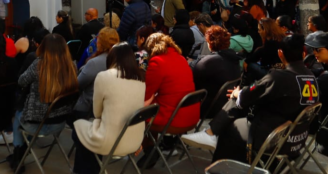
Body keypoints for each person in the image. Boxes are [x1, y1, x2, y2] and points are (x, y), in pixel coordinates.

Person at [181, 35, 320, 163]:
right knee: (243, 101)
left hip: (273, 137)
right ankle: (211, 133)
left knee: (232, 124)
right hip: (298, 137)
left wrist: (237, 94)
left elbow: (247, 96)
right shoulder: (311, 76)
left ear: (280, 53)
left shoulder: (279, 77)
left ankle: (214, 145)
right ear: (303, 54)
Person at [72, 43, 147, 174]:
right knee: (86, 135)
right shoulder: (140, 79)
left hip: (111, 140)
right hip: (134, 139)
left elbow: (97, 113)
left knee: (78, 129)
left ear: (111, 58)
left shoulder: (104, 76)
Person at [9, 34, 79, 169]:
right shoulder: (71, 66)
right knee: (24, 114)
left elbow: (21, 81)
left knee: (19, 112)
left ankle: (18, 154)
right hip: (60, 123)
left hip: (37, 124)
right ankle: (22, 151)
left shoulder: (38, 64)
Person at [139, 33, 200, 168]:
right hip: (190, 117)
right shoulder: (181, 58)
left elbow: (146, 95)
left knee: (140, 115)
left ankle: (150, 150)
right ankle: (153, 149)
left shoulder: (157, 62)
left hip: (174, 120)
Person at [191, 26, 242, 119]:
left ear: (210, 43)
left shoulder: (209, 62)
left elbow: (193, 81)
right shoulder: (234, 59)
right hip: (225, 106)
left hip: (207, 109)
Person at [74, 28, 120, 119]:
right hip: (112, 107)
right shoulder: (121, 59)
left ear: (100, 42)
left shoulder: (95, 63)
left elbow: (78, 84)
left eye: (97, 39)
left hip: (90, 109)